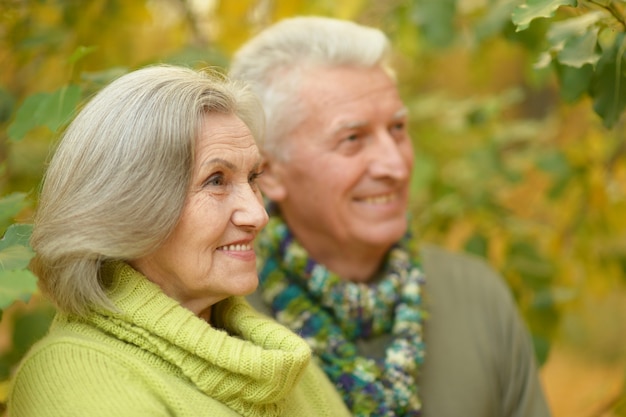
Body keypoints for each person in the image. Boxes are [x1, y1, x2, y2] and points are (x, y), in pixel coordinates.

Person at [229, 16, 552, 417]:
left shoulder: (478, 297)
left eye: (397, 129)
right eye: (352, 139)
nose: (395, 165)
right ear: (271, 173)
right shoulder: (225, 316)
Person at [7, 64, 352, 417]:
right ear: (126, 207)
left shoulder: (279, 359)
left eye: (252, 177)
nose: (257, 214)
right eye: (216, 180)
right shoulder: (75, 376)